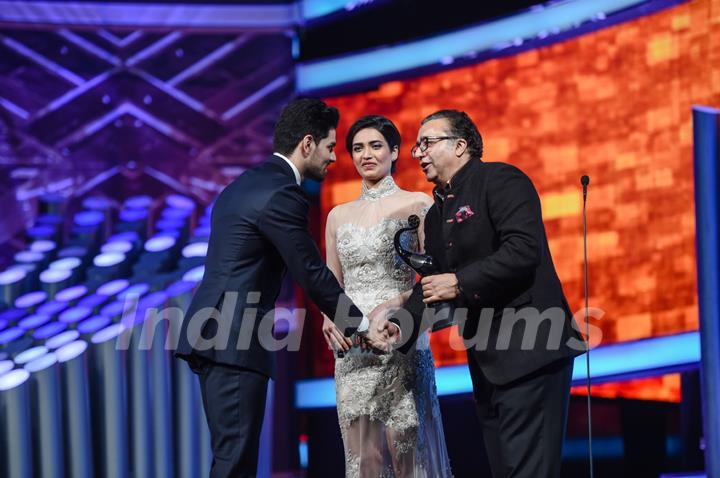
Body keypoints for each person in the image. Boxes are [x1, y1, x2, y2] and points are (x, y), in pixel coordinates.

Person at [175, 99, 397, 478]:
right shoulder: (281, 194)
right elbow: (310, 270)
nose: (333, 158)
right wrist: (359, 326)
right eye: (330, 147)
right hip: (234, 340)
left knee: (232, 458)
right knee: (234, 464)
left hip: (216, 334)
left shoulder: (245, 183)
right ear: (307, 144)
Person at [398, 109, 585, 477]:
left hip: (531, 353)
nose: (418, 153)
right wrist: (395, 330)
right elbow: (434, 281)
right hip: (486, 364)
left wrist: (460, 282)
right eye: (416, 146)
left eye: (427, 143)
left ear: (461, 146)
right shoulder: (436, 216)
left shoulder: (501, 180)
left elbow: (523, 251)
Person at [321, 115, 453, 477]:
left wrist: (394, 308)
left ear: (394, 151)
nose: (367, 154)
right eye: (358, 148)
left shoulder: (418, 205)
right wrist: (328, 317)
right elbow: (330, 283)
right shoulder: (336, 216)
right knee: (363, 458)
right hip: (352, 347)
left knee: (408, 451)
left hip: (399, 337)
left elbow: (435, 276)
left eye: (376, 145)